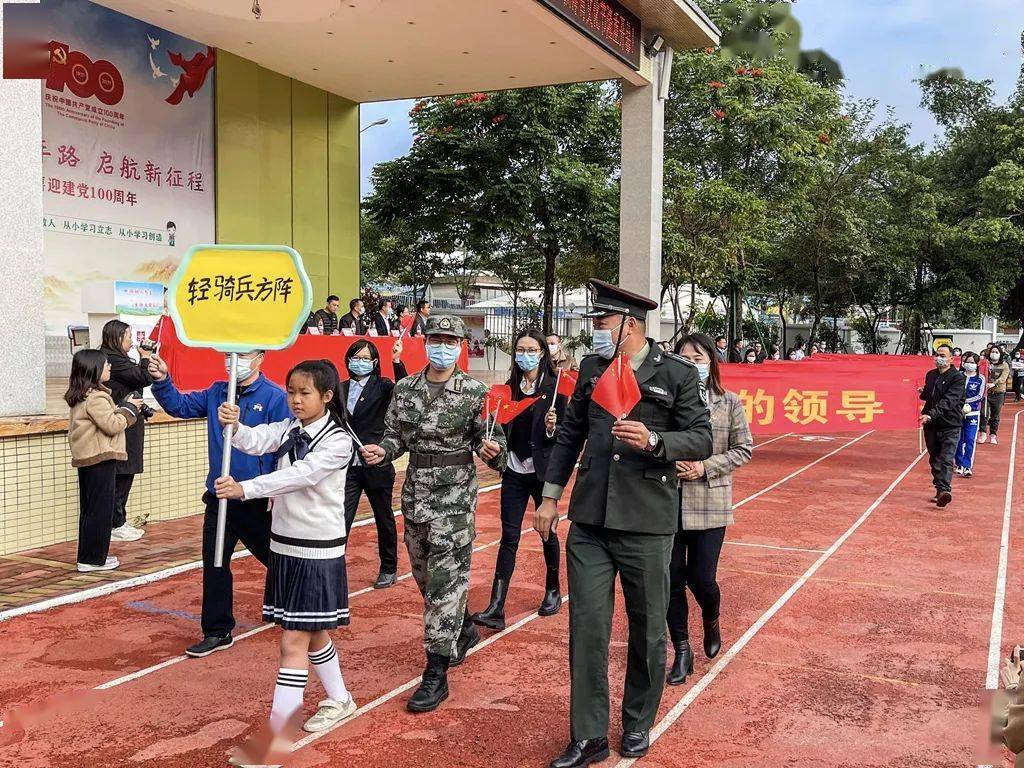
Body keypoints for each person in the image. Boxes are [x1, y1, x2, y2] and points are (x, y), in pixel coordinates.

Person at [534, 279, 713, 767]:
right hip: (590, 520)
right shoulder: (593, 369)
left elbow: (701, 438)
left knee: (649, 629)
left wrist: (657, 441)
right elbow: (570, 435)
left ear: (628, 325)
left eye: (602, 323)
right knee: (587, 628)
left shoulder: (675, 373)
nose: (595, 330)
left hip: (647, 522)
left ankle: (637, 722)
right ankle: (588, 735)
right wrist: (549, 499)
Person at [360, 315, 506, 713]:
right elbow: (395, 435)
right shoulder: (405, 389)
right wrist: (382, 451)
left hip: (455, 501)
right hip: (415, 498)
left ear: (460, 346)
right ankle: (462, 628)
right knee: (426, 578)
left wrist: (494, 453)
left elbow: (492, 440)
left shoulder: (475, 392)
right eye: (435, 339)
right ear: (424, 343)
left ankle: (435, 673)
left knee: (445, 584)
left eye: (449, 340)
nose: (442, 346)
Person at [215, 360, 357, 765]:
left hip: (316, 550)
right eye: (291, 391)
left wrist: (246, 489)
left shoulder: (337, 441)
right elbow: (256, 440)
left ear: (327, 396)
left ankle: (275, 740)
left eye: (305, 393)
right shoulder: (289, 428)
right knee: (311, 635)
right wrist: (234, 425)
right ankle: (340, 698)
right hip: (285, 546)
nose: (295, 399)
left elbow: (299, 475)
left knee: (292, 641)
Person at [148, 349, 291, 657]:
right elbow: (180, 406)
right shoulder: (216, 392)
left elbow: (283, 446)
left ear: (260, 358)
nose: (233, 361)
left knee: (277, 557)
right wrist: (161, 380)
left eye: (242, 355)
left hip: (254, 497)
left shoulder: (274, 397)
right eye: (229, 354)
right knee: (215, 562)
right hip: (219, 497)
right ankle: (217, 629)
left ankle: (298, 602)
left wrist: (273, 491)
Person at [666, 333, 752, 686]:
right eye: (684, 359)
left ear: (711, 362)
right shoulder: (667, 402)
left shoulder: (728, 402)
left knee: (701, 578)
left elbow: (743, 449)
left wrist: (705, 467)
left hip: (710, 502)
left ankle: (712, 616)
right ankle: (682, 649)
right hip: (668, 501)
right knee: (670, 580)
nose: (691, 365)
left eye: (698, 359)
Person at [472, 330, 567, 631]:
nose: (525, 354)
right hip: (514, 470)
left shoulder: (554, 390)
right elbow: (496, 429)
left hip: (542, 473)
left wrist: (553, 427)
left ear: (542, 353)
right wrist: (492, 447)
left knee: (546, 531)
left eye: (531, 349)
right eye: (520, 349)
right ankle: (496, 606)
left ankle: (553, 589)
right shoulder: (507, 390)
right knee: (509, 537)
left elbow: (566, 437)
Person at [65, 349, 141, 572]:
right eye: (106, 364)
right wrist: (129, 411)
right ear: (94, 369)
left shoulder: (82, 395)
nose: (109, 367)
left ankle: (89, 557)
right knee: (100, 510)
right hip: (100, 458)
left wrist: (121, 408)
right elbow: (112, 425)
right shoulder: (97, 397)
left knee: (90, 510)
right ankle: (92, 560)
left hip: (88, 458)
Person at [340, 338, 408, 589]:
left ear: (375, 362)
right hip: (348, 465)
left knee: (383, 517)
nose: (359, 363)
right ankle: (334, 568)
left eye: (365, 358)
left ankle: (388, 567)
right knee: (341, 518)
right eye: (355, 358)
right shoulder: (340, 388)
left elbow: (405, 391)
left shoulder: (383, 386)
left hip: (376, 462)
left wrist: (397, 361)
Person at [100, 320, 153, 542]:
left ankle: (118, 520)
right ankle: (115, 523)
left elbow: (130, 387)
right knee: (121, 473)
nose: (132, 341)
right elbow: (144, 377)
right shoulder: (111, 359)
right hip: (121, 424)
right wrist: (144, 357)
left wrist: (143, 407)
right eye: (128, 336)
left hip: (129, 420)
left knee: (125, 472)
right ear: (117, 337)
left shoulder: (117, 359)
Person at [920, 344, 966, 508]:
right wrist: (923, 392)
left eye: (942, 355)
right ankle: (939, 488)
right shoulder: (931, 375)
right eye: (936, 354)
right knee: (934, 457)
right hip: (931, 425)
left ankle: (944, 490)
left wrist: (931, 414)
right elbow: (928, 394)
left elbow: (949, 401)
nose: (938, 358)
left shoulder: (958, 378)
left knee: (946, 458)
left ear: (951, 359)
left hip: (950, 424)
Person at [955, 352, 985, 478]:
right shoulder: (959, 376)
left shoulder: (980, 378)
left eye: (972, 362)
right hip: (957, 413)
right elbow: (954, 392)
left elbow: (980, 395)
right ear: (963, 362)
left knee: (970, 439)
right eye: (968, 362)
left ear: (977, 364)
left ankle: (967, 466)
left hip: (973, 413)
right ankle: (959, 464)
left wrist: (966, 402)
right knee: (958, 439)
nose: (970, 364)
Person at [980, 347, 1011, 445]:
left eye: (996, 352)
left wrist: (994, 383)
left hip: (998, 393)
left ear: (1000, 354)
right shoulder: (986, 363)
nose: (994, 353)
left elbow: (1003, 377)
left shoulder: (1004, 365)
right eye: (992, 352)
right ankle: (983, 433)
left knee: (995, 415)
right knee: (984, 413)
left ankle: (993, 435)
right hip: (986, 393)